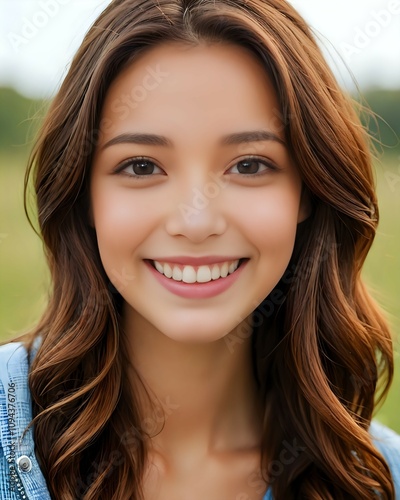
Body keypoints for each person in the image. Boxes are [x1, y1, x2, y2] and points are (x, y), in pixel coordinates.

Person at [1, 0, 399, 498]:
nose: (195, 222)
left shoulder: (380, 479)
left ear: (309, 192)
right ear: (84, 195)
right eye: (142, 166)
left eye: (250, 165)